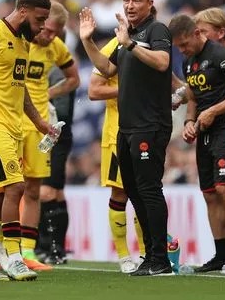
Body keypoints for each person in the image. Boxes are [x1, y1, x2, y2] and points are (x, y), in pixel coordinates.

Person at [80, 0, 173, 276]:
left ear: (150, 2)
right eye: (126, 0)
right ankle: (151, 257)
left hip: (150, 124)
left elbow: (162, 62)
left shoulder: (156, 31)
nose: (130, 5)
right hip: (127, 126)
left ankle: (159, 258)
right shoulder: (127, 34)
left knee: (149, 189)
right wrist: (87, 41)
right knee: (133, 190)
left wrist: (130, 44)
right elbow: (106, 70)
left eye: (136, 0)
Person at [0, 0, 53, 281]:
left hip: (14, 127)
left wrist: (39, 123)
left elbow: (19, 90)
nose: (43, 26)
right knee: (15, 188)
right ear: (23, 12)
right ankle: (13, 255)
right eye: (39, 19)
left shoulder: (24, 42)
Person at [169, 15, 225, 273]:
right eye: (178, 47)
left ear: (196, 33)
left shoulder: (221, 56)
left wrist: (213, 111)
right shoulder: (190, 62)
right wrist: (190, 122)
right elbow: (192, 97)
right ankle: (221, 253)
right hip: (205, 132)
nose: (182, 51)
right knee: (210, 194)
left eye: (183, 44)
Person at [19, 0, 80, 271]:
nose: (52, 36)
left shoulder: (56, 47)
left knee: (34, 189)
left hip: (39, 126)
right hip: (9, 121)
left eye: (57, 32)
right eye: (50, 30)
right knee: (5, 189)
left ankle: (28, 252)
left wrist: (48, 94)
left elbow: (73, 79)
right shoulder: (18, 41)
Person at [88, 35, 146, 273]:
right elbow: (94, 90)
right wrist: (128, 89)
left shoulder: (156, 41)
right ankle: (124, 256)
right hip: (117, 131)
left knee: (146, 191)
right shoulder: (115, 46)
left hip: (147, 128)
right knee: (120, 192)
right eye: (128, 2)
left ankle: (147, 254)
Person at [37, 2, 79, 265]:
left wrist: (45, 97)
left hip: (55, 134)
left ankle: (50, 247)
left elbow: (61, 109)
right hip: (54, 133)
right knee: (54, 192)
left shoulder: (54, 68)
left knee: (47, 191)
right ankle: (54, 248)